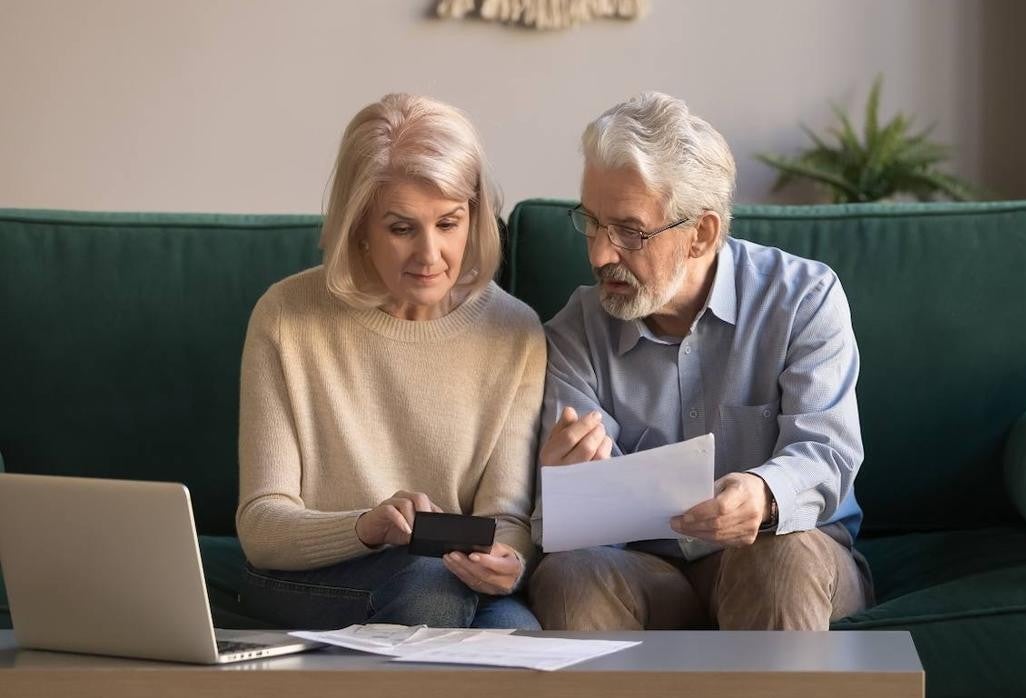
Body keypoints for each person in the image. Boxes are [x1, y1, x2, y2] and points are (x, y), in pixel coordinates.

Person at [528, 92, 873, 631]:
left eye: (629, 231)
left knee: (779, 558)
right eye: (591, 223)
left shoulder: (804, 298)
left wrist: (764, 495)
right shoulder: (575, 329)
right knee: (571, 576)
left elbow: (827, 453)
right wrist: (565, 486)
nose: (599, 254)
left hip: (787, 552)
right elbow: (563, 530)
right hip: (646, 569)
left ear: (702, 234)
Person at [236, 94, 545, 630]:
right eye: (402, 228)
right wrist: (366, 526)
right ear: (359, 225)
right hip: (316, 575)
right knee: (428, 590)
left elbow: (507, 518)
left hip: (453, 581)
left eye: (448, 223)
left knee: (518, 633)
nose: (430, 255)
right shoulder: (285, 317)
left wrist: (509, 562)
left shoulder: (516, 332)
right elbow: (262, 526)